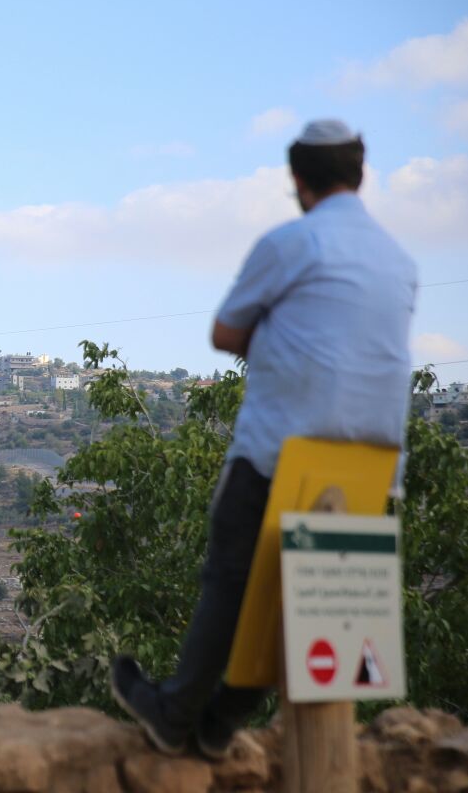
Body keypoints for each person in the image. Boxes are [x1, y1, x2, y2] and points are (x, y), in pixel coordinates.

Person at [110, 119, 417, 759]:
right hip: (372, 461)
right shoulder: (401, 262)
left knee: (231, 579)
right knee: (311, 602)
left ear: (298, 181)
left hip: (282, 447)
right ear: (359, 175)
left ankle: (174, 714)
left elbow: (225, 333)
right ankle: (222, 723)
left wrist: (277, 338)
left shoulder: (292, 242)